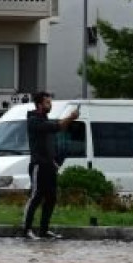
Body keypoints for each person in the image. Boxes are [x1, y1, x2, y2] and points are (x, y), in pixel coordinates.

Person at [23, 92, 79, 240]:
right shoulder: (34, 120)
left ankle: (44, 230)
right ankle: (27, 229)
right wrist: (71, 118)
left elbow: (56, 129)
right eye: (48, 103)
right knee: (36, 196)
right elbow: (57, 126)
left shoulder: (44, 118)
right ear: (40, 104)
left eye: (50, 102)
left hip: (49, 165)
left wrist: (54, 161)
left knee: (51, 197)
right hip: (38, 165)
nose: (50, 105)